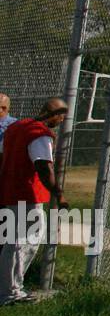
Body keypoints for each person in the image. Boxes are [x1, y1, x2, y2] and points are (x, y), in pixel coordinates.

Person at [0, 98, 68, 305]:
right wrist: (59, 193)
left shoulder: (17, 126)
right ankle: (11, 291)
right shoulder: (40, 134)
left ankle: (7, 289)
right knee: (24, 242)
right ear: (55, 114)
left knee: (13, 242)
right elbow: (42, 166)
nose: (61, 120)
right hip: (28, 193)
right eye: (62, 116)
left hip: (11, 189)